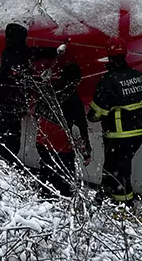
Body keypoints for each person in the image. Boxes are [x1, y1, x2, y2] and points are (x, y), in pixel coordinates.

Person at [87, 40, 142, 205]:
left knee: (118, 171)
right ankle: (106, 198)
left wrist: (91, 117)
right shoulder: (138, 75)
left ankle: (124, 206)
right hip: (137, 132)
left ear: (109, 58)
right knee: (116, 168)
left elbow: (97, 113)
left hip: (118, 134)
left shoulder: (108, 80)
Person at [0, 23, 64, 168]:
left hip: (10, 105)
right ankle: (3, 167)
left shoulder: (18, 51)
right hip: (6, 105)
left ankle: (5, 164)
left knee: (9, 139)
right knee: (7, 140)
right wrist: (39, 80)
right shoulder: (10, 56)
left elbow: (36, 52)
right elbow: (19, 76)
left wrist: (55, 51)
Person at [30, 62, 92, 197]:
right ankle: (62, 198)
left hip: (42, 138)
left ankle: (44, 195)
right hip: (59, 141)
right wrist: (86, 152)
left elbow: (36, 109)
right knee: (64, 173)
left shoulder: (51, 89)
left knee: (47, 168)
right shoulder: (73, 97)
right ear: (76, 80)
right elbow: (81, 126)